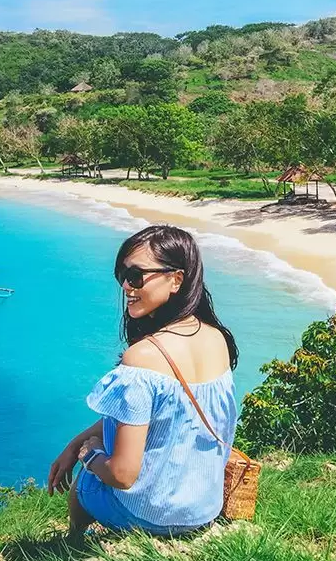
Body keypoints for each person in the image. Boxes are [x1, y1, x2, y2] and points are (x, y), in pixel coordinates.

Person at [47, 225, 239, 541]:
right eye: (122, 275)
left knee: (86, 482)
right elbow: (159, 414)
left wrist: (88, 453)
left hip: (151, 516)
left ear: (176, 279)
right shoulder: (216, 338)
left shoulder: (142, 358)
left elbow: (122, 475)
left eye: (136, 276)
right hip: (204, 507)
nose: (126, 286)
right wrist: (74, 443)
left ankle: (72, 543)